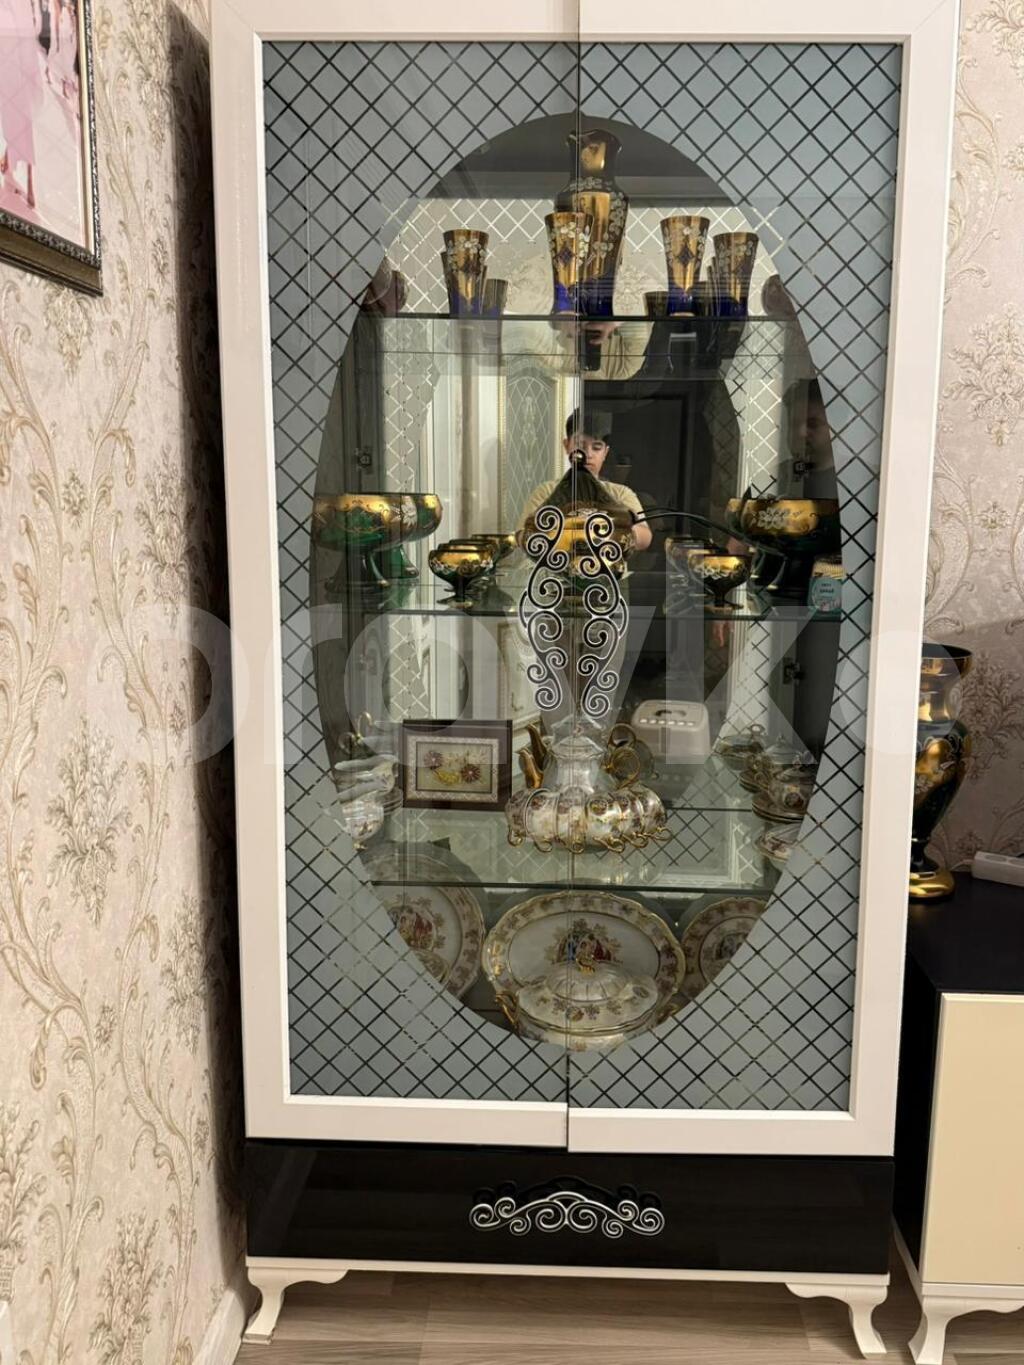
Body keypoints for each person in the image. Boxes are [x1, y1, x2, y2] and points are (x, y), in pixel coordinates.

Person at [520, 409, 653, 551]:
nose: (588, 454)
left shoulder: (621, 493)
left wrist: (614, 523)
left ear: (605, 452)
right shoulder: (546, 491)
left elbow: (645, 538)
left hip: (608, 564)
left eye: (596, 447)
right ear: (566, 446)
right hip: (557, 564)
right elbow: (522, 536)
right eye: (580, 446)